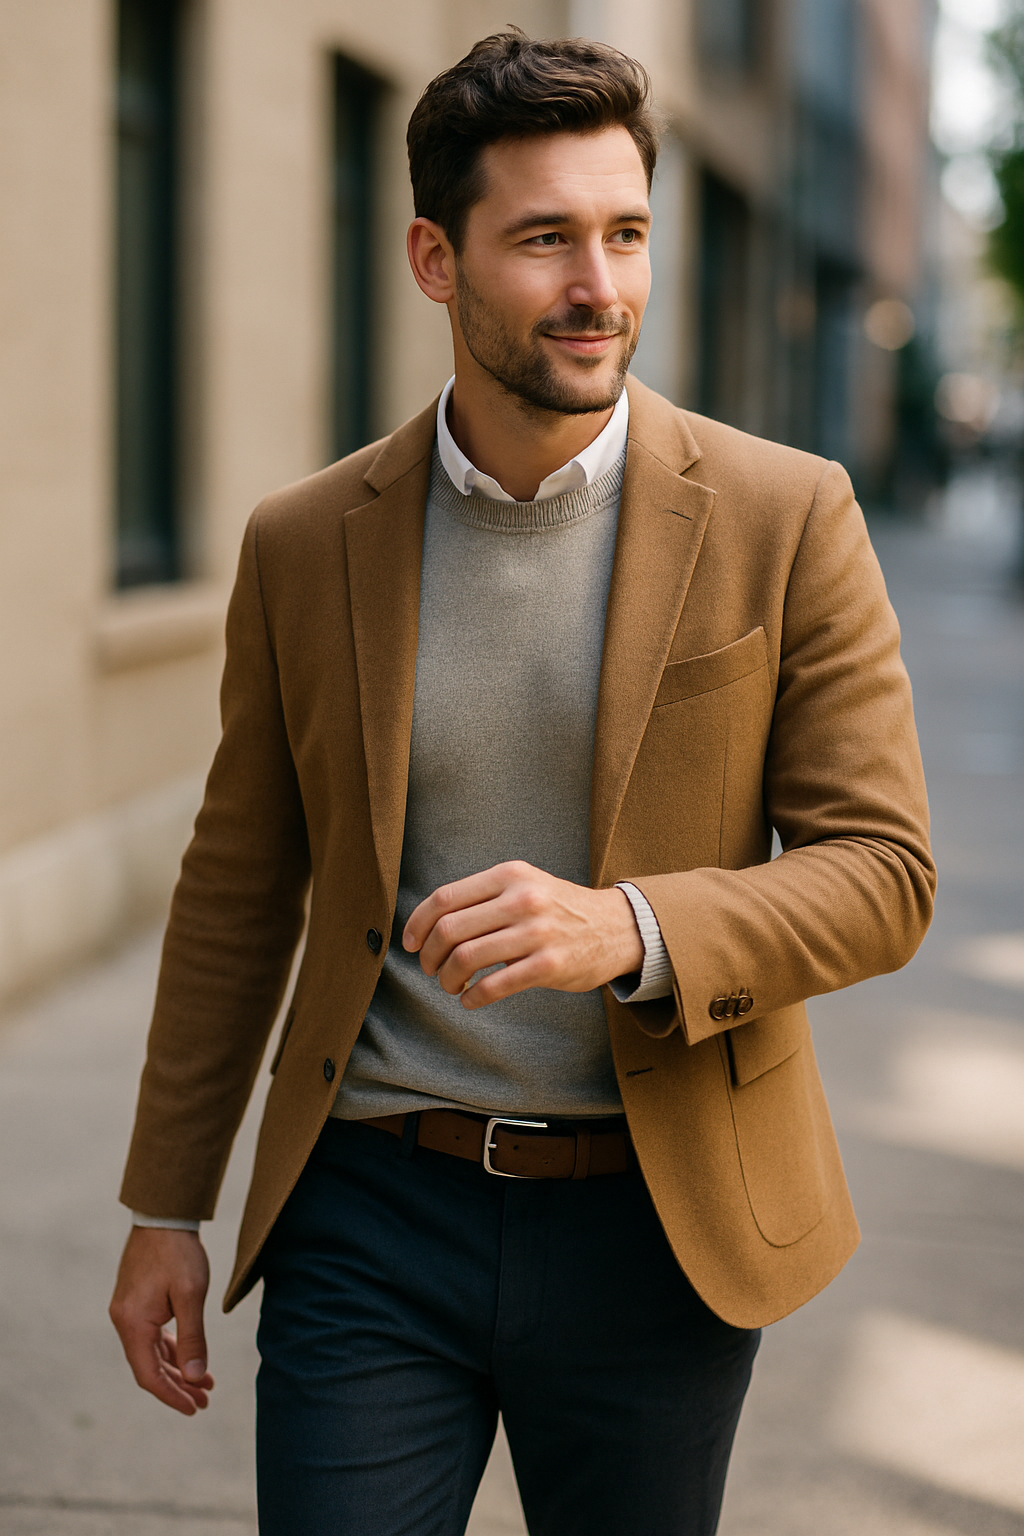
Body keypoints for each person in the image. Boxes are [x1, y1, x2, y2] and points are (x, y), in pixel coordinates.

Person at [110, 29, 934, 1536]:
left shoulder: (784, 515)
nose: (598, 286)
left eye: (624, 233)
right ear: (434, 257)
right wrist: (165, 1198)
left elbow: (884, 872)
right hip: (373, 1203)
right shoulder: (305, 543)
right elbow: (238, 882)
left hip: (657, 1212)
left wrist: (635, 929)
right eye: (544, 237)